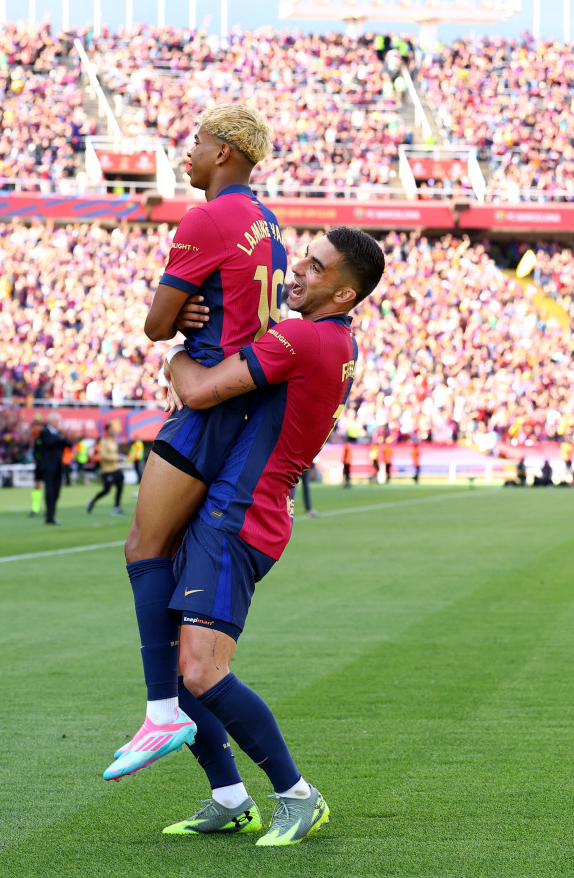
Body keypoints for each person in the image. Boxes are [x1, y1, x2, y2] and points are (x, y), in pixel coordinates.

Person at [130, 227, 385, 846]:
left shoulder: (301, 336)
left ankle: (298, 795)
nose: (296, 273)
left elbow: (193, 390)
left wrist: (175, 351)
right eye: (301, 257)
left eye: (315, 269)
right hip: (240, 512)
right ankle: (228, 796)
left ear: (345, 293)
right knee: (177, 659)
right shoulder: (334, 338)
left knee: (200, 671)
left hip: (238, 518)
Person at [117, 104, 285, 767]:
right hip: (246, 403)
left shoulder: (206, 217)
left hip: (207, 400)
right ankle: (226, 791)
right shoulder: (267, 221)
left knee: (143, 548)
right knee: (174, 574)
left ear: (224, 152)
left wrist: (174, 316)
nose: (185, 153)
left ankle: (161, 712)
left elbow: (159, 325)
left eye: (195, 142)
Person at [34, 413, 69, 525]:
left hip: (58, 466)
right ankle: (50, 516)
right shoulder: (44, 432)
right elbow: (49, 443)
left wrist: (65, 436)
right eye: (56, 421)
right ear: (50, 421)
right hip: (48, 467)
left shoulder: (58, 434)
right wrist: (61, 438)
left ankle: (51, 513)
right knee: (50, 491)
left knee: (56, 492)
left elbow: (67, 444)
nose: (58, 423)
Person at [88, 422, 126, 515]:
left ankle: (116, 507)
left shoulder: (113, 441)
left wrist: (118, 457)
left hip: (115, 469)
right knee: (106, 490)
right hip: (107, 470)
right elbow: (103, 455)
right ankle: (93, 500)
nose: (114, 431)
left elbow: (114, 453)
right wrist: (116, 458)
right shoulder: (103, 441)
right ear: (107, 431)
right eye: (112, 429)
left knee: (120, 487)